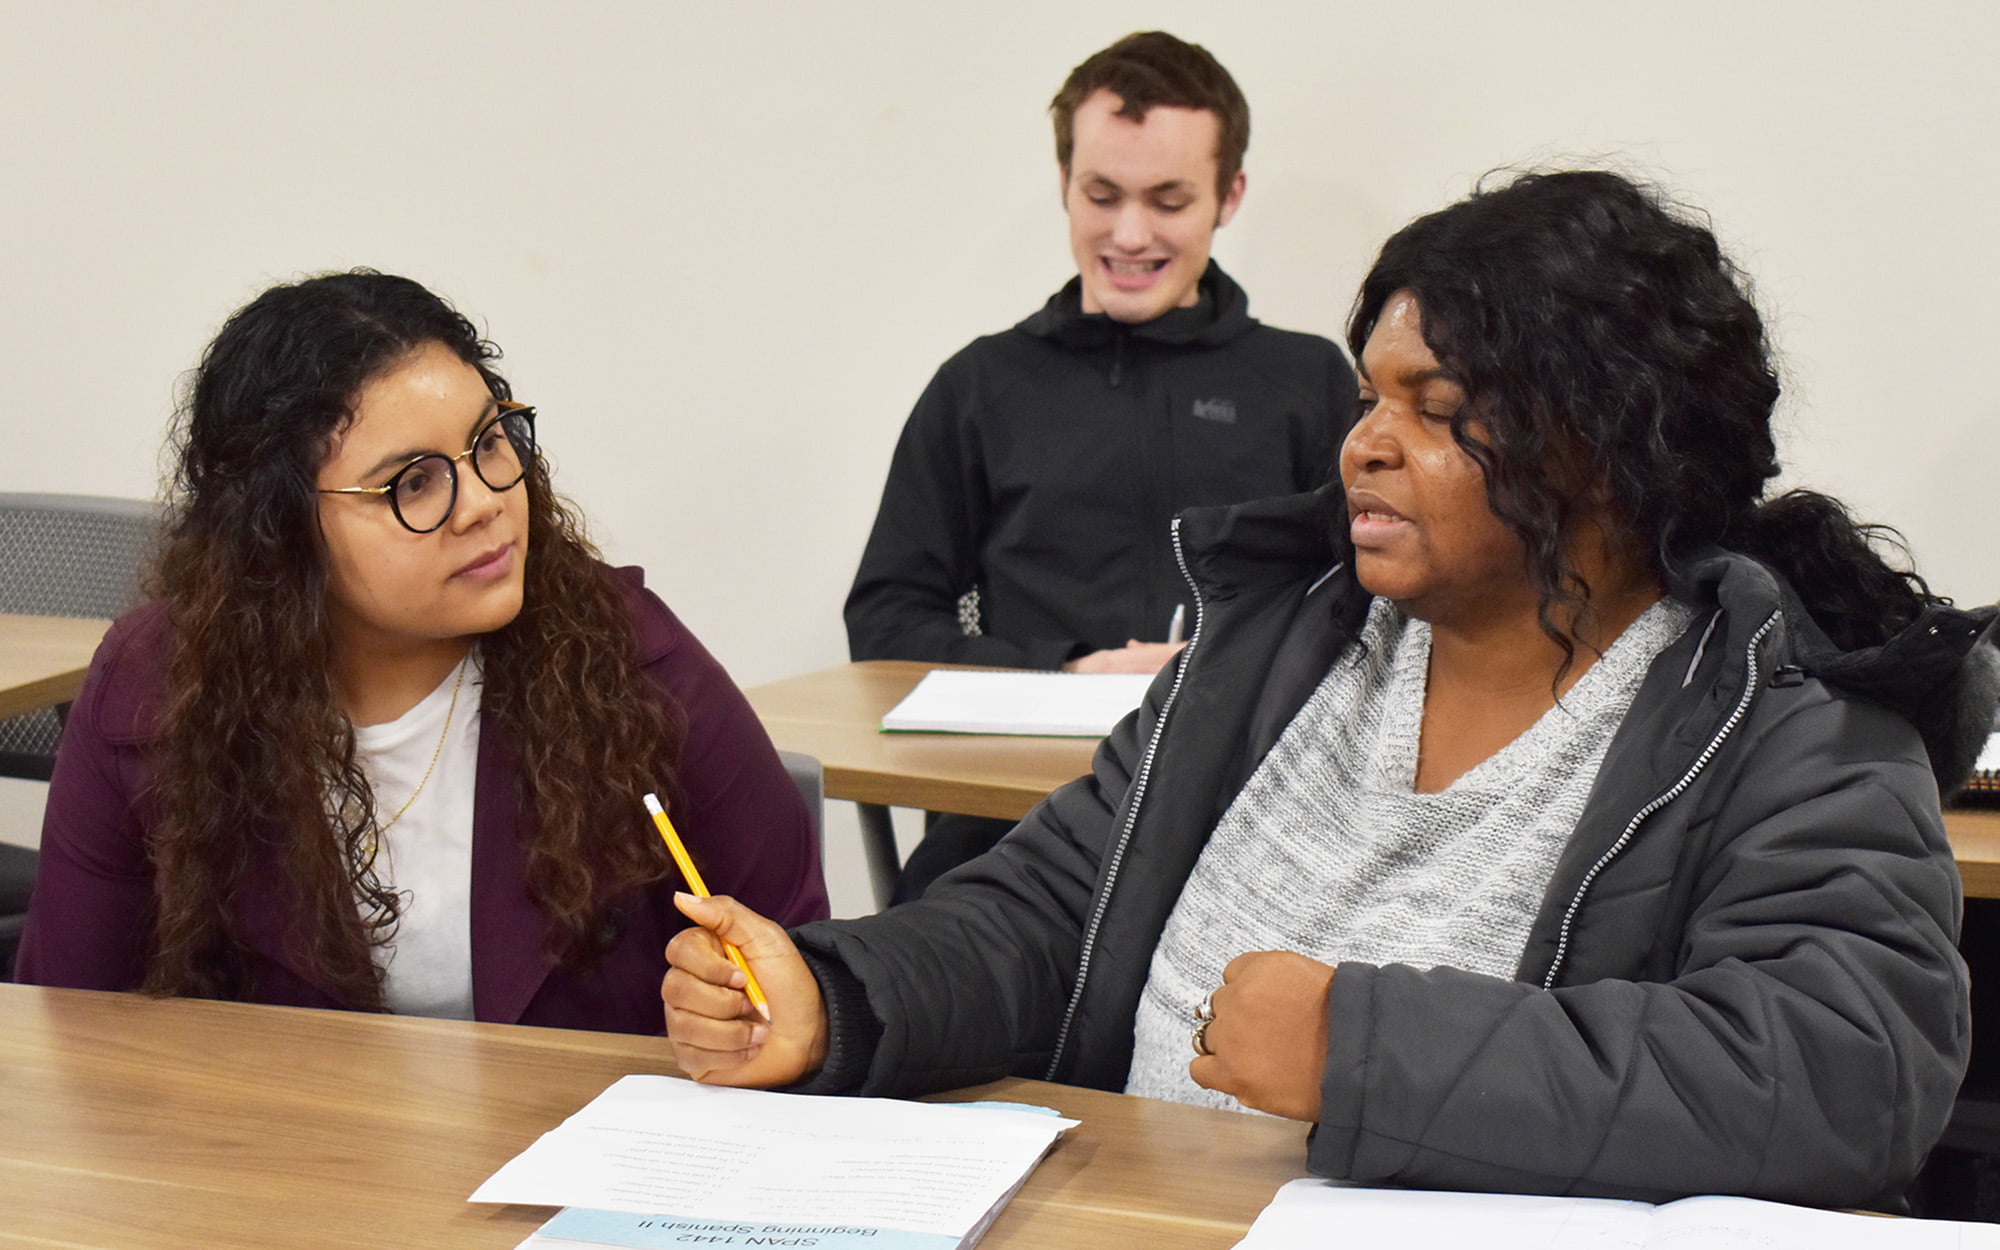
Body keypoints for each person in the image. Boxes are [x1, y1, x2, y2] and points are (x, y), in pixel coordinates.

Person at [662, 171, 1996, 1208]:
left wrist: (1360, 1047)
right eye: (1370, 395)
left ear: (1601, 442)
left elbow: (1848, 1070)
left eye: (1434, 405)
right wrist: (838, 996)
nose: (1362, 442)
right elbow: (1058, 906)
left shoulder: (1784, 712)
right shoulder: (1281, 641)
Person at [17, 271, 829, 1032]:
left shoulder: (622, 657)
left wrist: (743, 1016)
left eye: (491, 443)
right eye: (412, 483)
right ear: (278, 529)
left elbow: (804, 973)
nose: (483, 503)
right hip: (290, 1161)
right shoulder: (158, 690)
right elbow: (70, 1026)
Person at [844, 31, 1356, 897]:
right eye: (1102, 194)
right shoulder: (981, 385)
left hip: (1243, 820)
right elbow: (887, 621)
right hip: (1007, 824)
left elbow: (1367, 612)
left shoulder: (1306, 383)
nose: (1129, 234)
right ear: (1064, 185)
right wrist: (1066, 668)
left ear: (1228, 196)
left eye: (1168, 200)